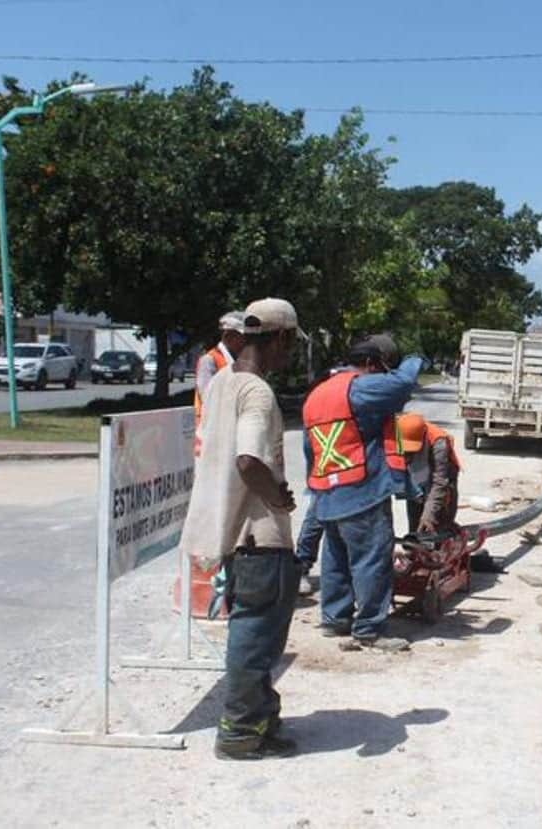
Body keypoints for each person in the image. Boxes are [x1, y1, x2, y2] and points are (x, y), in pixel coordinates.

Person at [177, 297, 302, 761]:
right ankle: (239, 730)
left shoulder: (221, 383)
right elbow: (248, 460)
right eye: (290, 345)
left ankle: (261, 719)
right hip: (258, 537)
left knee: (257, 634)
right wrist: (277, 496)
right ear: (283, 338)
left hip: (234, 536)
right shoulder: (256, 392)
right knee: (255, 638)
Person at [300, 333, 422, 651]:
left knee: (336, 558)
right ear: (369, 364)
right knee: (371, 559)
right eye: (382, 369)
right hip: (361, 489)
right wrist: (413, 360)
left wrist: (318, 486)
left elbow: (308, 448)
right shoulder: (359, 386)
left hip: (328, 490)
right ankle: (369, 628)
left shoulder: (317, 394)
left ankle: (335, 619)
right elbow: (403, 386)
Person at [397, 413, 461, 535]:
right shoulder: (397, 432)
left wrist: (429, 516)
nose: (407, 455)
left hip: (443, 475)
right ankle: (416, 544)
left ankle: (442, 538)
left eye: (411, 452)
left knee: (440, 517)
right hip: (418, 477)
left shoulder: (439, 442)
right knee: (415, 522)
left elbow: (440, 482)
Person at [193, 311, 246, 456]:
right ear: (228, 336)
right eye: (242, 337)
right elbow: (208, 397)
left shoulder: (238, 361)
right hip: (210, 431)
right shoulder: (209, 360)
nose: (246, 341)